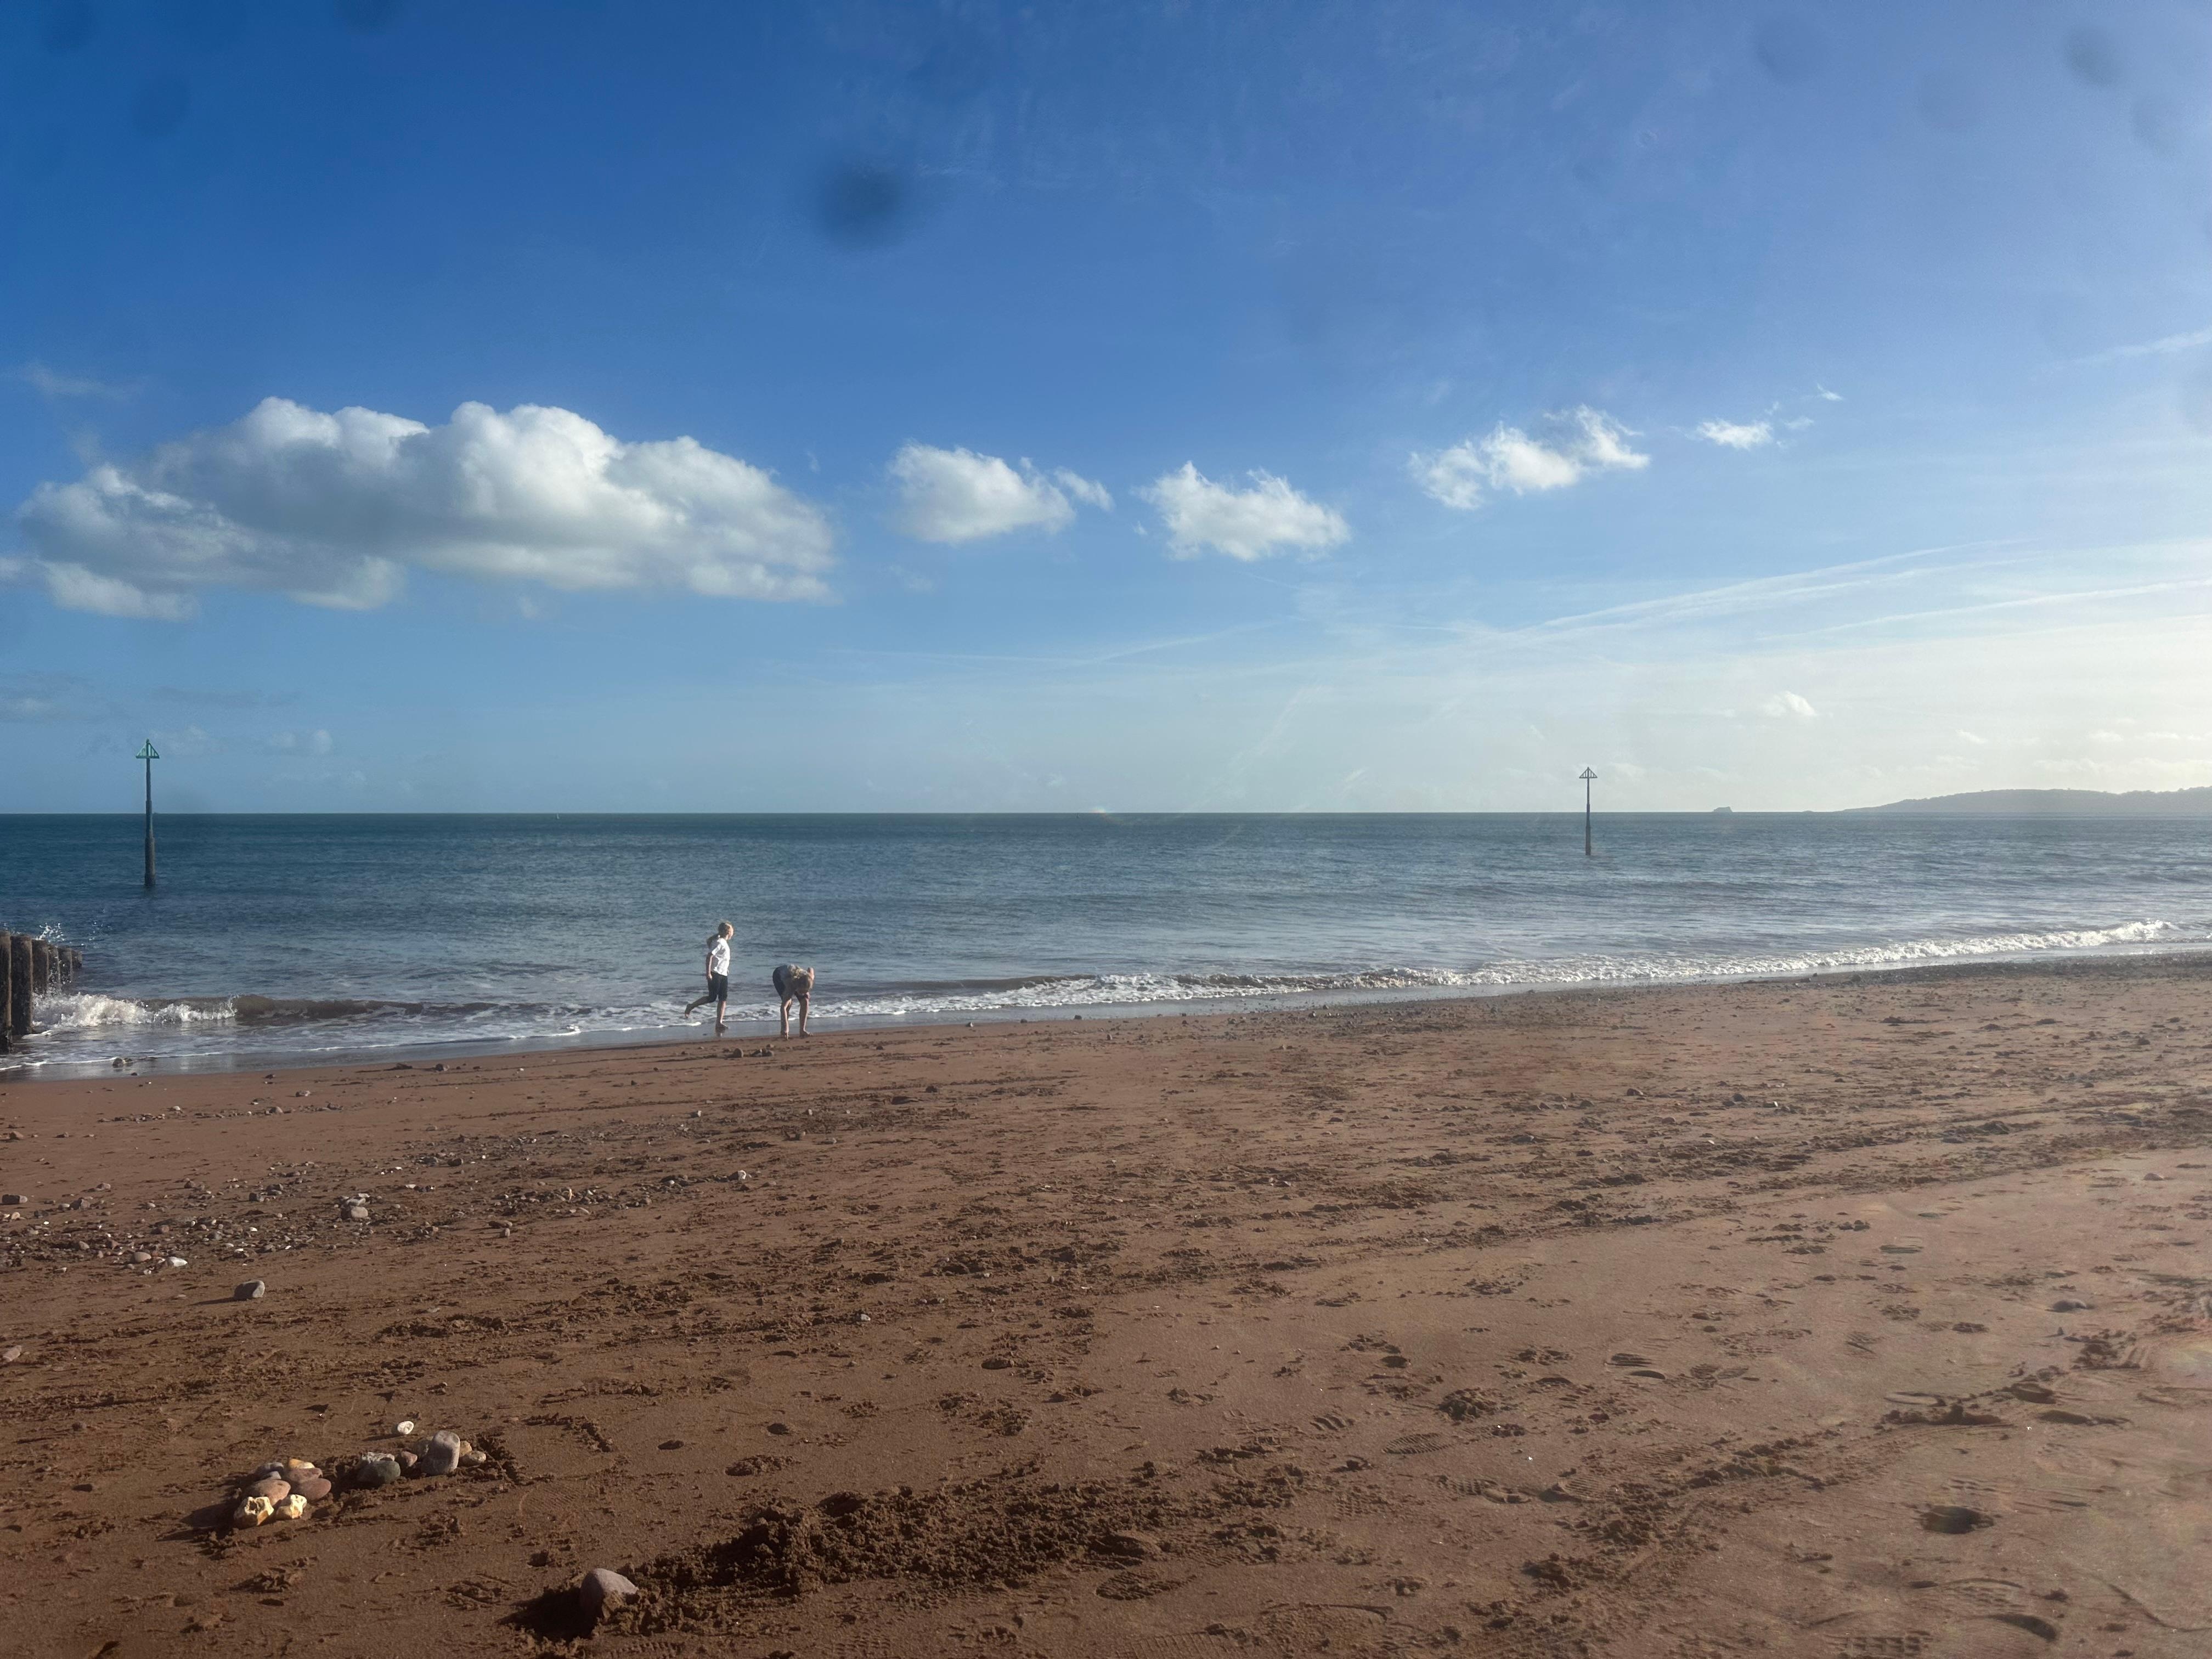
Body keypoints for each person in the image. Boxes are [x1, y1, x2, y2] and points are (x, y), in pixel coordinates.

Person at [682, 921, 735, 1034]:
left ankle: (719, 1023)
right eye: (732, 930)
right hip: (715, 973)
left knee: (723, 999)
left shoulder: (724, 943)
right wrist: (708, 973)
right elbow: (709, 957)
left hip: (723, 973)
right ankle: (691, 1006)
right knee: (712, 998)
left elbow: (721, 959)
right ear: (728, 932)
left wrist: (725, 968)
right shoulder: (719, 942)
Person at [772, 963, 814, 1037]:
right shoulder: (790, 985)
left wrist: (806, 992)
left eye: (805, 991)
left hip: (796, 977)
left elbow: (811, 969)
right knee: (788, 1003)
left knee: (805, 1001)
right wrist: (785, 1028)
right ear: (797, 987)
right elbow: (783, 1008)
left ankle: (802, 1031)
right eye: (801, 992)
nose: (802, 994)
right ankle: (784, 1031)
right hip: (779, 975)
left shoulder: (810, 977)